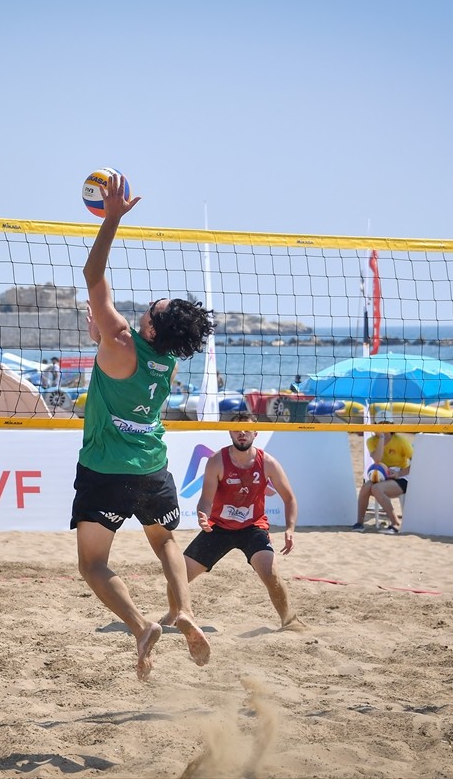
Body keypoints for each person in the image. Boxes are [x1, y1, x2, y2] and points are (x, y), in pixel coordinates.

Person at [72, 174, 216, 681]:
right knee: (166, 543)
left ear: (152, 328)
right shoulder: (167, 362)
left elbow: (93, 274)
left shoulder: (123, 342)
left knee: (93, 564)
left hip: (106, 468)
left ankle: (140, 626)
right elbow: (112, 342)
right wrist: (103, 332)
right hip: (153, 466)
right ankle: (184, 612)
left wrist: (111, 218)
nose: (148, 305)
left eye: (151, 309)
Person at [163, 412, 300, 629]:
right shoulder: (217, 461)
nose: (242, 433)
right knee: (178, 576)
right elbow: (205, 500)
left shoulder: (268, 462)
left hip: (253, 527)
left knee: (270, 573)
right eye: (237, 429)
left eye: (246, 429)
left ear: (255, 433)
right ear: (229, 432)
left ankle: (289, 620)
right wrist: (203, 515)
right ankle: (172, 613)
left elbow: (290, 498)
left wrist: (290, 528)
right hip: (219, 528)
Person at [353, 412, 412, 534]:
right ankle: (359, 523)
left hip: (402, 476)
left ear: (391, 425)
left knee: (377, 488)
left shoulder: (401, 441)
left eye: (385, 424)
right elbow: (377, 459)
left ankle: (395, 523)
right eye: (379, 424)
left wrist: (398, 474)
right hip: (383, 474)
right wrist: (381, 438)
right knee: (365, 487)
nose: (382, 427)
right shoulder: (371, 441)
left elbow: (417, 463)